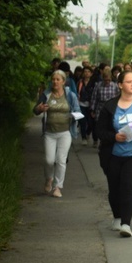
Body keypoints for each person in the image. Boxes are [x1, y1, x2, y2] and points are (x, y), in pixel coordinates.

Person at [95, 71, 132, 237]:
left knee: (129, 186)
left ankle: (126, 224)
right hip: (113, 155)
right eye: (129, 82)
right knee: (115, 189)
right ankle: (117, 217)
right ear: (120, 85)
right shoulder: (109, 107)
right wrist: (114, 137)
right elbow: (99, 131)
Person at [33, 69, 80, 198]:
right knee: (49, 160)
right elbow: (35, 110)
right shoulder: (46, 94)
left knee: (61, 160)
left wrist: (73, 116)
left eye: (58, 79)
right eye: (53, 79)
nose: (55, 82)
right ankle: (49, 178)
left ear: (63, 82)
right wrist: (40, 108)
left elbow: (78, 111)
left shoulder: (70, 95)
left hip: (65, 132)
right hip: (49, 133)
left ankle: (57, 187)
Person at [77, 66, 95, 146]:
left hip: (91, 105)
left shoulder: (94, 83)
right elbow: (77, 92)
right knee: (82, 121)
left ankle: (88, 133)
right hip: (81, 104)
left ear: (91, 73)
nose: (86, 73)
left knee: (91, 122)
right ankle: (83, 137)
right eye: (85, 71)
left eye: (88, 71)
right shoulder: (80, 82)